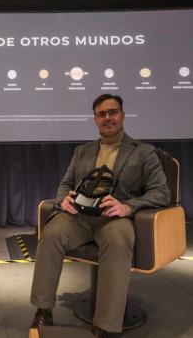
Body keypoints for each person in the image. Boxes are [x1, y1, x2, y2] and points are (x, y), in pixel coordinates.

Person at [30, 94, 170, 337]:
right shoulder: (82, 151)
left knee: (118, 240)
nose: (108, 117)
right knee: (52, 234)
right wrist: (64, 200)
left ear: (123, 116)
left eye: (113, 112)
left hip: (116, 218)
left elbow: (161, 192)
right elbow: (65, 185)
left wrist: (128, 207)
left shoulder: (144, 152)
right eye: (102, 114)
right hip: (80, 217)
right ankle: (43, 308)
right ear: (95, 119)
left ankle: (106, 324)